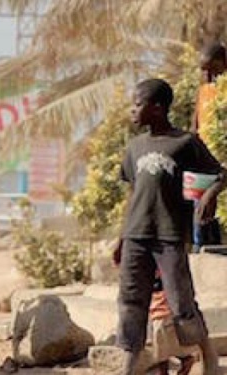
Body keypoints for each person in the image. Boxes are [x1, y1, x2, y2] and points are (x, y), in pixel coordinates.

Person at [115, 78, 225, 375]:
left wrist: (210, 196)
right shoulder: (135, 147)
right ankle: (129, 362)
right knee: (130, 300)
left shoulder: (184, 142)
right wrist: (121, 238)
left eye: (138, 105)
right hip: (136, 234)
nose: (132, 111)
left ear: (158, 108)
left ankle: (206, 353)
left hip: (169, 235)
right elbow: (132, 194)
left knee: (180, 301)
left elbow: (220, 173)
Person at [190, 41, 227, 253]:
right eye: (204, 70)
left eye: (213, 69)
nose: (209, 74)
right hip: (204, 158)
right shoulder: (203, 91)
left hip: (222, 157)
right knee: (201, 209)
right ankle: (202, 247)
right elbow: (195, 125)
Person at [148, 270, 197, 375]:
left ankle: (186, 361)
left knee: (161, 352)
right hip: (159, 312)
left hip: (162, 312)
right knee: (162, 351)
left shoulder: (160, 266)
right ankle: (185, 361)